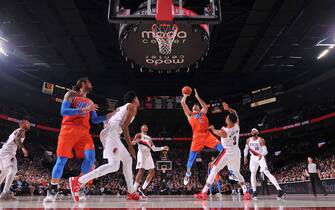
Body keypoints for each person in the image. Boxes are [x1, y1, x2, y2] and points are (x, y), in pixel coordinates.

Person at [69, 91, 141, 202]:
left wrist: (107, 127)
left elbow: (109, 118)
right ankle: (78, 181)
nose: (138, 101)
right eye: (137, 98)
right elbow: (124, 125)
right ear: (135, 99)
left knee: (121, 162)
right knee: (120, 162)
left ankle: (131, 192)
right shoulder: (132, 106)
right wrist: (130, 145)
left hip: (110, 133)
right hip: (111, 133)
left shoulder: (121, 108)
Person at [44, 78, 108, 202]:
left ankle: (78, 184)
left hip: (84, 132)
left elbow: (94, 120)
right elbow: (63, 111)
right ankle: (52, 189)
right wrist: (83, 110)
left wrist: (108, 116)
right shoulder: (71, 95)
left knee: (90, 158)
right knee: (62, 159)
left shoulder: (90, 101)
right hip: (68, 129)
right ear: (83, 84)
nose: (91, 84)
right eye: (89, 82)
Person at [194, 102, 251, 200]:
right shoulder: (237, 126)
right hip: (236, 152)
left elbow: (216, 132)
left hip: (226, 152)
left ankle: (204, 192)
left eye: (227, 117)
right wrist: (228, 108)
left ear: (229, 121)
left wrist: (212, 129)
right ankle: (246, 192)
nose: (226, 118)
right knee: (237, 172)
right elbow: (235, 113)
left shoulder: (224, 131)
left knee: (214, 169)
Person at [181, 89, 223, 185]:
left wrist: (197, 97)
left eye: (197, 106)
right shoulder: (190, 115)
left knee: (223, 149)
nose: (195, 106)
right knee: (191, 158)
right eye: (194, 106)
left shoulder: (202, 113)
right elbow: (183, 103)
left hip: (207, 135)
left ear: (199, 108)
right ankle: (188, 173)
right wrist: (185, 95)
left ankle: (231, 170)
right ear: (192, 109)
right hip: (197, 138)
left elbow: (204, 106)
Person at [244, 128, 285, 200]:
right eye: (252, 130)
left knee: (267, 172)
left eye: (254, 130)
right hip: (253, 158)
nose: (252, 131)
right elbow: (246, 149)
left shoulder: (261, 140)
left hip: (260, 157)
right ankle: (254, 191)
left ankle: (279, 190)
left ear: (257, 132)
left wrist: (261, 154)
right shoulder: (248, 140)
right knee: (252, 173)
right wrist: (245, 156)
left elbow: (265, 151)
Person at [132, 124, 169, 197]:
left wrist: (162, 148)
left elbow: (154, 149)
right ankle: (133, 190)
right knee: (141, 171)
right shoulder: (139, 135)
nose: (145, 127)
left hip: (148, 154)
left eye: (146, 126)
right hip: (141, 154)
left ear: (147, 129)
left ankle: (142, 188)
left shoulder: (149, 138)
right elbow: (132, 143)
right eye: (143, 126)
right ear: (141, 128)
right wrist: (137, 141)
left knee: (152, 172)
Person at [0, 120, 30, 200]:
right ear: (22, 124)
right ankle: (5, 193)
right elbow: (17, 139)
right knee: (12, 170)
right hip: (7, 153)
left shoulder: (18, 130)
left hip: (4, 152)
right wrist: (23, 148)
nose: (28, 124)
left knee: (5, 172)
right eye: (26, 123)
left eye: (28, 123)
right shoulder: (21, 130)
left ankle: (5, 192)